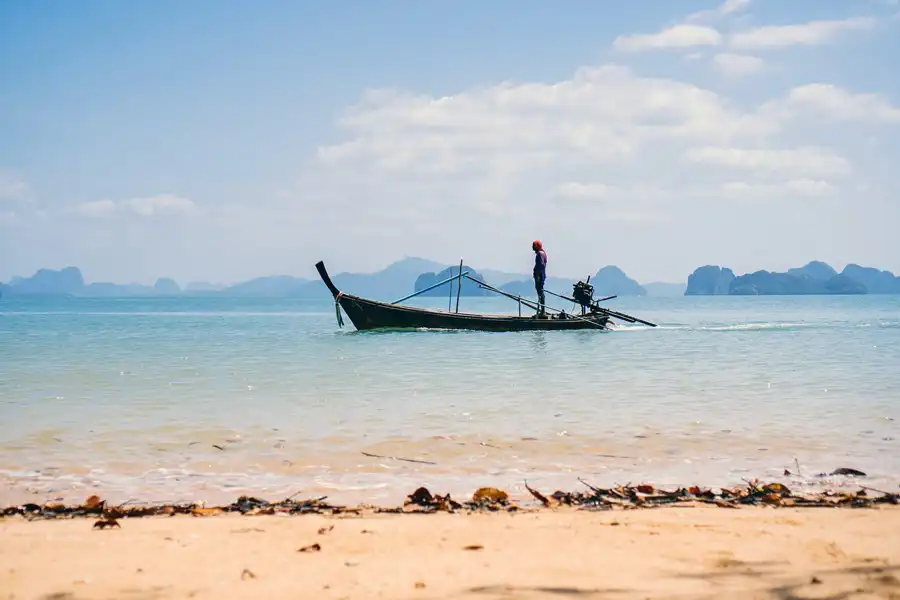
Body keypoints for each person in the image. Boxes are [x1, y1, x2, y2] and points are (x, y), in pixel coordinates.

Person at [532, 239, 547, 316]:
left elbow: (541, 266)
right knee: (540, 292)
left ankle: (542, 311)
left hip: (540, 276)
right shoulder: (542, 253)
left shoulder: (540, 254)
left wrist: (537, 276)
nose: (533, 247)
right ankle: (542, 310)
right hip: (541, 275)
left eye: (534, 245)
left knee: (540, 292)